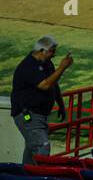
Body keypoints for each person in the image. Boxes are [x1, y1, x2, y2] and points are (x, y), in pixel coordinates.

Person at [10, 36, 73, 164]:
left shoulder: (47, 63)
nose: (54, 55)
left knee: (32, 146)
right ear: (41, 50)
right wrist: (62, 67)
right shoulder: (29, 66)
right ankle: (38, 178)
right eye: (52, 51)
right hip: (28, 114)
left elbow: (53, 83)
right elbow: (44, 85)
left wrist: (60, 104)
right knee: (42, 145)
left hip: (38, 114)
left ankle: (25, 177)